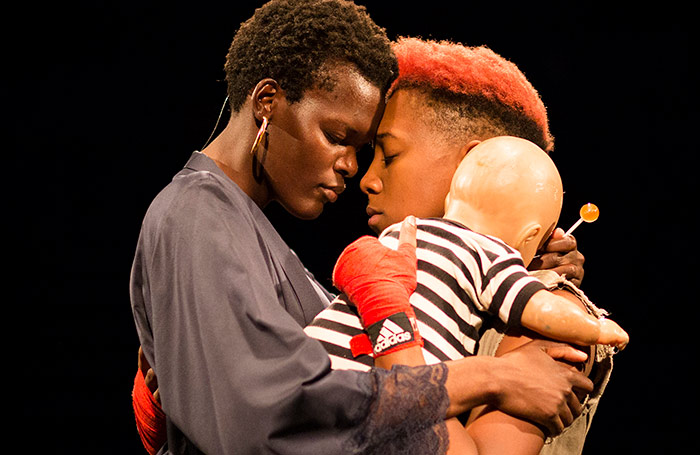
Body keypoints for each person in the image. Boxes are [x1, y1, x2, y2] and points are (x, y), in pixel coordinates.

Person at [129, 3, 592, 455]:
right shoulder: (197, 212)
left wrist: (519, 272)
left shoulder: (259, 239)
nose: (356, 171)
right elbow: (269, 413)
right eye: (336, 136)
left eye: (377, 151)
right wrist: (494, 378)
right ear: (267, 101)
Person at [307, 37, 618, 454]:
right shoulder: (397, 273)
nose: (367, 179)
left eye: (389, 154)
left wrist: (393, 327)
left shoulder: (541, 316)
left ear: (472, 163)